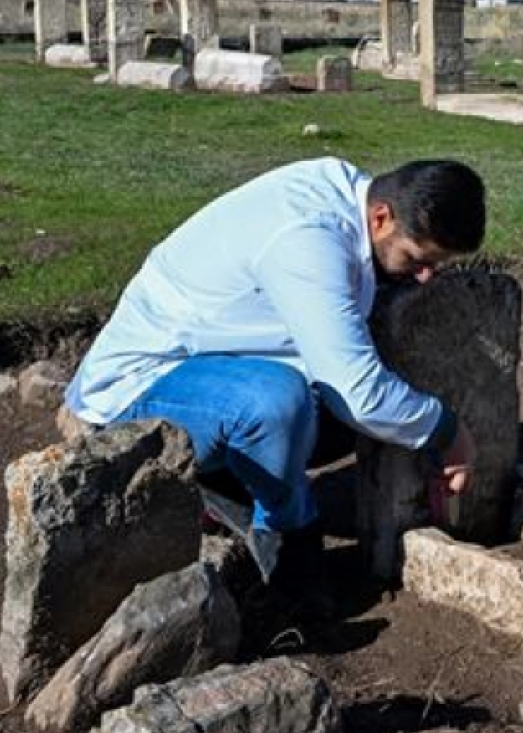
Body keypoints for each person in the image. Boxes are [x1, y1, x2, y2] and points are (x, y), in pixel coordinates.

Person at [61, 156, 485, 615]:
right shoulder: (310, 239)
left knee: (335, 412)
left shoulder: (351, 199)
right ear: (381, 217)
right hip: (139, 385)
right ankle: (288, 556)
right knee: (279, 404)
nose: (426, 277)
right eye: (418, 260)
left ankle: (226, 483)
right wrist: (447, 432)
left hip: (215, 359)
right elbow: (358, 392)